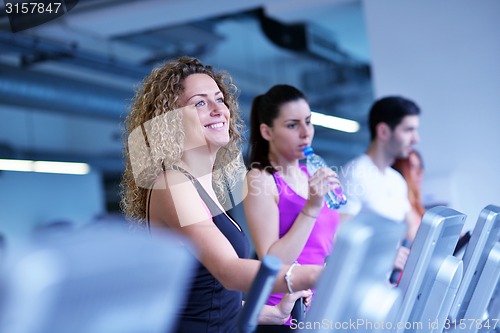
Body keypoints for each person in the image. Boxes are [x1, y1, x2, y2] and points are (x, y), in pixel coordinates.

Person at [119, 56, 321, 333]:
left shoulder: (203, 187)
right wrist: (315, 275)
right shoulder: (172, 184)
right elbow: (228, 271)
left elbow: (212, 297)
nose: (218, 109)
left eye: (219, 99)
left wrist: (274, 312)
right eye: (200, 103)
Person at [243, 84, 341, 330]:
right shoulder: (260, 179)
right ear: (267, 132)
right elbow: (273, 262)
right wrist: (312, 207)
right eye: (292, 125)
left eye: (308, 122)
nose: (305, 133)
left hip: (321, 308)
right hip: (283, 314)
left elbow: (327, 244)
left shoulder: (313, 173)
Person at [338, 95, 421, 272]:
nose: (416, 139)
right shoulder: (355, 174)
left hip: (384, 282)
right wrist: (386, 255)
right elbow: (338, 238)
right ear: (383, 131)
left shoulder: (396, 180)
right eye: (408, 130)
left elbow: (413, 226)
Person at [392, 149, 425, 242]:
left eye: (420, 167)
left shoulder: (417, 207)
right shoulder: (399, 204)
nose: (419, 173)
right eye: (412, 167)